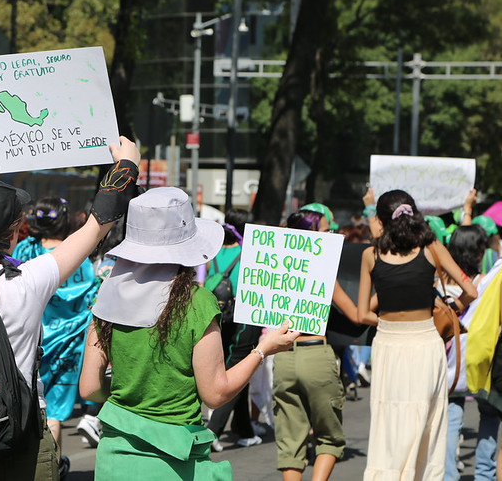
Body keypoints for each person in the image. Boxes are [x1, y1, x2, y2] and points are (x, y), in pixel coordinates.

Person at [0, 132, 141, 480]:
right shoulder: (30, 280)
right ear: (14, 233)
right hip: (21, 441)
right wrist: (126, 166)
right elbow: (97, 225)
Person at [79, 187, 300, 480]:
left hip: (115, 460)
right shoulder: (197, 301)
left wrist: (131, 388)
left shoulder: (106, 294)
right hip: (174, 461)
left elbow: (89, 388)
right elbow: (216, 392)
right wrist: (263, 350)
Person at [358, 189, 478, 480]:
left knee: (389, 420)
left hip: (388, 342)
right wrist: (451, 311)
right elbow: (470, 291)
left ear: (382, 222)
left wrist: (388, 323)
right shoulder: (431, 246)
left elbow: (362, 314)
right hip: (426, 341)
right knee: (426, 420)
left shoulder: (371, 255)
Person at [272, 209, 362, 481]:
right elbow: (356, 315)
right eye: (326, 231)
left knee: (290, 442)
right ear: (312, 236)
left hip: (284, 358)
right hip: (317, 354)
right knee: (330, 439)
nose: (332, 235)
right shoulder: (321, 270)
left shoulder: (277, 271)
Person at [12, 196, 99, 462]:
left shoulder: (25, 250)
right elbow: (90, 298)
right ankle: (53, 467)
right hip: (68, 344)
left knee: (24, 406)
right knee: (56, 412)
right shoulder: (76, 255)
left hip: (28, 338)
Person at [205, 208, 264, 451]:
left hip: (220, 319)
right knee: (238, 371)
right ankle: (213, 431)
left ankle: (244, 430)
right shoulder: (249, 253)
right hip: (243, 319)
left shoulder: (216, 252)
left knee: (241, 370)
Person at [441, 225, 496, 481]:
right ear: (479, 251)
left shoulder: (438, 281)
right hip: (481, 359)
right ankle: (485, 474)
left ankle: (448, 475)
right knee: (490, 414)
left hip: (450, 363)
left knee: (452, 415)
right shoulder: (487, 281)